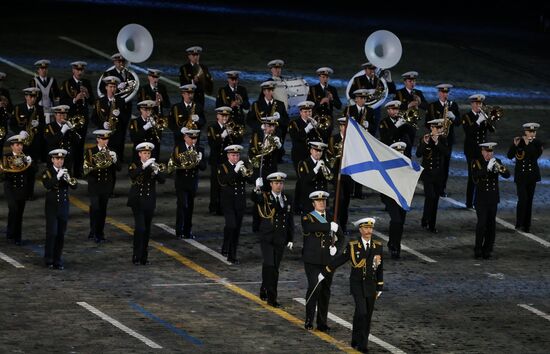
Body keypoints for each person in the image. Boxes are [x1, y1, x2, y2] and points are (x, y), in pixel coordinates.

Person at [320, 217, 383, 353]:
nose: (368, 231)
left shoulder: (377, 246)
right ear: (360, 229)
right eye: (366, 228)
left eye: (370, 228)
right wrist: (327, 269)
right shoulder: (354, 246)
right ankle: (362, 344)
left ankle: (358, 341)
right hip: (357, 284)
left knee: (367, 315)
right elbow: (342, 259)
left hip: (370, 285)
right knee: (362, 312)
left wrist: (380, 285)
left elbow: (380, 268)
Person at [301, 190, 344, 331]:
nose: (321, 203)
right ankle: (309, 319)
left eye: (323, 201)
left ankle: (322, 323)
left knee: (325, 291)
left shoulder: (332, 217)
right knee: (315, 287)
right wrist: (328, 226)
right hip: (312, 260)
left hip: (328, 261)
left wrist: (336, 249)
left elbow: (341, 237)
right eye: (318, 201)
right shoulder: (308, 217)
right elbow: (309, 228)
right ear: (313, 203)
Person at [252, 172, 294, 307]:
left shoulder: (287, 198)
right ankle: (272, 298)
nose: (279, 186)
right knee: (271, 267)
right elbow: (255, 199)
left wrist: (290, 238)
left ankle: (264, 287)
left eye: (281, 183)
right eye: (276, 183)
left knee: (273, 266)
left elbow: (289, 220)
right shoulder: (265, 196)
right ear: (270, 184)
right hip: (267, 237)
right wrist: (257, 188)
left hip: (280, 238)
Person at [127, 142, 166, 265]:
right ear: (139, 154)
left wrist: (155, 171)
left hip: (149, 202)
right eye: (144, 153)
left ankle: (144, 257)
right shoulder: (134, 165)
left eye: (148, 153)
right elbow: (133, 175)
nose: (147, 155)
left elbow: (162, 180)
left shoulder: (153, 165)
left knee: (147, 230)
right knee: (140, 228)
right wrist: (144, 167)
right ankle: (136, 255)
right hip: (137, 201)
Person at [472, 142, 510, 259]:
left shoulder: (496, 161)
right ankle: (478, 249)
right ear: (482, 151)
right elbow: (475, 177)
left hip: (493, 198)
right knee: (481, 224)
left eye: (491, 151)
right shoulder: (476, 162)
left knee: (491, 225)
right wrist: (487, 168)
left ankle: (488, 249)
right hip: (481, 199)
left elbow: (507, 175)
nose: (490, 154)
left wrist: (500, 168)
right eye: (487, 151)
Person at [217, 144, 254, 264]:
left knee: (237, 229)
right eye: (233, 155)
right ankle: (226, 244)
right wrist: (235, 170)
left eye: (237, 155)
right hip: (228, 202)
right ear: (228, 155)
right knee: (231, 225)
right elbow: (223, 181)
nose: (236, 157)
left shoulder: (242, 166)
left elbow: (250, 179)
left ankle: (232, 254)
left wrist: (255, 180)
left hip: (240, 202)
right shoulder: (223, 167)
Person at [42, 148, 78, 269]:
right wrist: (57, 176)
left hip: (63, 206)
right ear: (52, 159)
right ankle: (48, 259)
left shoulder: (66, 171)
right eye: (57, 159)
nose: (59, 161)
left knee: (60, 235)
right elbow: (47, 185)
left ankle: (57, 260)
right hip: (52, 207)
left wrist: (68, 178)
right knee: (52, 233)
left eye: (61, 159)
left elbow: (74, 185)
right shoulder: (48, 172)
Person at [59, 61, 95, 178]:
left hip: (83, 120)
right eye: (77, 70)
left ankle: (78, 171)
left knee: (80, 146)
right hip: (71, 120)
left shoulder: (87, 83)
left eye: (81, 70)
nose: (80, 72)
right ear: (73, 70)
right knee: (71, 146)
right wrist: (75, 99)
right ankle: (68, 170)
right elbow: (62, 103)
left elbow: (92, 102)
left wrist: (88, 94)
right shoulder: (66, 84)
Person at [507, 123, 543, 233]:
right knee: (523, 199)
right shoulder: (519, 142)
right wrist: (515, 145)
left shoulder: (537, 143)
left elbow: (534, 155)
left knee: (529, 200)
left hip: (532, 176)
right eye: (529, 131)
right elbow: (509, 155)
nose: (531, 133)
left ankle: (527, 225)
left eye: (533, 132)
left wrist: (527, 145)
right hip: (521, 176)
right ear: (525, 132)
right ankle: (519, 223)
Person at [249, 115, 283, 232]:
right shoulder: (257, 136)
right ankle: (256, 225)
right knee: (259, 197)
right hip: (260, 171)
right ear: (265, 126)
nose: (272, 129)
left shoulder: (276, 137)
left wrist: (279, 146)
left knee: (271, 197)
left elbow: (280, 156)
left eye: (273, 126)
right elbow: (251, 153)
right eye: (270, 126)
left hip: (272, 171)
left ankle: (269, 223)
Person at [84, 129, 119, 242]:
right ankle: (93, 231)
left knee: (102, 210)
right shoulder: (90, 151)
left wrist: (115, 160)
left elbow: (118, 169)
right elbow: (85, 169)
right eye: (103, 139)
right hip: (94, 185)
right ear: (98, 139)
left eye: (107, 139)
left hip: (106, 185)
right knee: (95, 208)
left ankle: (99, 232)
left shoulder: (112, 151)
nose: (105, 141)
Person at [171, 127, 207, 239]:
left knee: (190, 206)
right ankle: (179, 230)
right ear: (185, 137)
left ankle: (187, 230)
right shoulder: (179, 148)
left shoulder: (200, 149)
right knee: (182, 205)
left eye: (195, 138)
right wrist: (188, 158)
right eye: (191, 138)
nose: (193, 140)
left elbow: (203, 167)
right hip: (181, 181)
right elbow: (176, 163)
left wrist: (199, 160)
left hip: (192, 182)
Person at [426, 84, 461, 196]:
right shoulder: (432, 106)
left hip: (448, 140)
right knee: (435, 163)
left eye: (446, 93)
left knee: (445, 165)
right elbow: (427, 123)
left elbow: (459, 122)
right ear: (439, 93)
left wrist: (454, 117)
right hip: (436, 139)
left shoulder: (453, 105)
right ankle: (432, 186)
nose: (444, 95)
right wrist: (437, 128)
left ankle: (442, 188)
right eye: (442, 92)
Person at [461, 94, 495, 208]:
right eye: (476, 103)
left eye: (480, 103)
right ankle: (469, 202)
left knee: (482, 176)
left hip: (483, 151)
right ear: (472, 104)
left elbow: (492, 130)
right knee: (472, 176)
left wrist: (489, 119)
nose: (478, 105)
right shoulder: (466, 116)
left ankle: (478, 201)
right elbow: (469, 131)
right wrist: (478, 121)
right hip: (471, 151)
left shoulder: (483, 116)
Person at [10, 87, 44, 199]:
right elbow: (12, 124)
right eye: (31, 97)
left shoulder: (39, 109)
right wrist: (19, 132)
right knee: (20, 169)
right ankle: (20, 193)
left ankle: (30, 193)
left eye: (35, 97)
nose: (33, 99)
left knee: (32, 170)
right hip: (21, 145)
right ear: (26, 97)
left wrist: (38, 125)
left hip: (33, 145)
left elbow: (43, 126)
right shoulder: (18, 108)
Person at [416, 119, 448, 233]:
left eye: (440, 128)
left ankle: (431, 224)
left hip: (439, 175)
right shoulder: (425, 138)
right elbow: (418, 154)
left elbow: (446, 153)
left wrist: (436, 142)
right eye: (436, 128)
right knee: (430, 197)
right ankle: (425, 219)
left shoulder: (443, 139)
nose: (438, 130)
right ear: (431, 128)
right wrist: (424, 143)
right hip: (428, 175)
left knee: (435, 200)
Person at [1, 135, 33, 245]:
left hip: (22, 189)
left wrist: (30, 164)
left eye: (21, 145)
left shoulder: (26, 157)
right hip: (10, 188)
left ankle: (17, 237)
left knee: (19, 213)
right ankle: (10, 234)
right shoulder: (6, 157)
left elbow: (32, 173)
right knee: (13, 209)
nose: (20, 147)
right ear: (12, 146)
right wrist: (17, 163)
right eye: (17, 145)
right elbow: (5, 173)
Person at [207, 106, 237, 215]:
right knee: (215, 184)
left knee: (226, 184)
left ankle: (224, 206)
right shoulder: (212, 127)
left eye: (227, 116)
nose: (225, 118)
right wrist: (222, 136)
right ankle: (214, 206)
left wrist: (233, 134)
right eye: (222, 115)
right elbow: (212, 144)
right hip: (216, 160)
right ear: (217, 116)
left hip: (226, 161)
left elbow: (237, 143)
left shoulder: (231, 127)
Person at [91, 76, 127, 169]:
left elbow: (126, 119)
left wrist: (120, 114)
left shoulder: (121, 101)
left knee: (114, 157)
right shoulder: (99, 102)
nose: (112, 89)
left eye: (114, 87)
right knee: (102, 157)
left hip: (115, 134)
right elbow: (93, 118)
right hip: (103, 135)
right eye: (110, 87)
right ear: (106, 87)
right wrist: (102, 124)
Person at [383, 142, 408, 259]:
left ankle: (394, 243)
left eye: (402, 151)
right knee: (396, 220)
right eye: (398, 152)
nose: (400, 154)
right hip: (391, 198)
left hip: (403, 198)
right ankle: (394, 247)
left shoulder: (407, 164)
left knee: (400, 222)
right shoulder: (387, 165)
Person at [327, 117, 352, 233]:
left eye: (346, 126)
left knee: (346, 201)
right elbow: (329, 156)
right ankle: (335, 223)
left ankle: (343, 224)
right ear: (340, 127)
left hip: (349, 175)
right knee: (339, 199)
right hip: (337, 174)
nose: (344, 128)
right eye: (342, 126)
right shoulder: (334, 139)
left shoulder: (353, 140)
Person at [394, 71, 427, 157]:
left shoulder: (418, 93)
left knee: (410, 144)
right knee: (404, 145)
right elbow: (394, 107)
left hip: (413, 123)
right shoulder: (399, 93)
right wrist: (408, 105)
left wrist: (419, 103)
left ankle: (407, 161)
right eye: (410, 81)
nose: (412, 83)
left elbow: (426, 106)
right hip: (401, 123)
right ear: (405, 82)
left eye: (414, 81)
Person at [307, 67, 342, 141]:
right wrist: (320, 102)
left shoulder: (332, 89)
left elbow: (339, 106)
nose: (325, 79)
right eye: (323, 77)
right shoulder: (313, 89)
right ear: (319, 77)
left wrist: (332, 99)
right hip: (316, 118)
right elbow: (309, 105)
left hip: (328, 120)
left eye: (327, 77)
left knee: (327, 140)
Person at [297, 141, 333, 214]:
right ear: (311, 151)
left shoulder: (325, 163)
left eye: (320, 151)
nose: (318, 153)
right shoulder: (304, 163)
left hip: (322, 199)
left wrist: (329, 171)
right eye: (316, 150)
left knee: (322, 222)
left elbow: (331, 179)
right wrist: (316, 168)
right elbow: (304, 181)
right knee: (310, 222)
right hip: (309, 200)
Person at [178, 46, 213, 110]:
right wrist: (192, 81)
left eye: (197, 55)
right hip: (188, 97)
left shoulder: (204, 67)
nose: (196, 57)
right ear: (189, 56)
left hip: (200, 97)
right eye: (193, 55)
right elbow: (183, 82)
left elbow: (209, 81)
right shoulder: (184, 68)